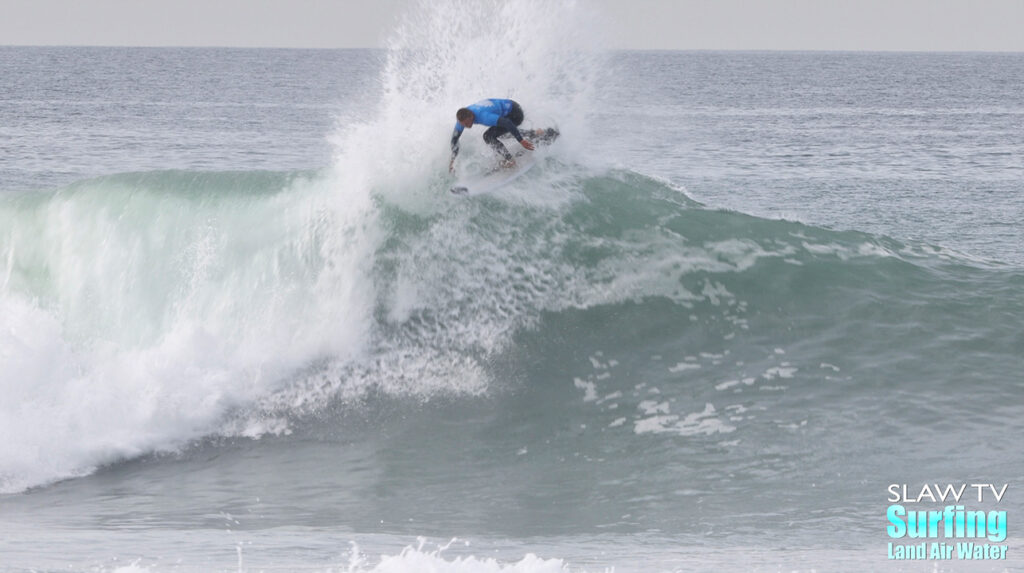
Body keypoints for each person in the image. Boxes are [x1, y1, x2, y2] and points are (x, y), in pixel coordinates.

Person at [449, 98, 535, 173]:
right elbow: (454, 139)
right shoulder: (462, 118)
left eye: (466, 123)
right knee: (500, 133)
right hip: (509, 107)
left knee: (488, 136)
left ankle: (510, 160)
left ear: (471, 117)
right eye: (463, 124)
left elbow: (507, 123)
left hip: (515, 114)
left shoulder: (483, 116)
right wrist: (453, 160)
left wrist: (520, 140)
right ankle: (534, 133)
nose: (465, 126)